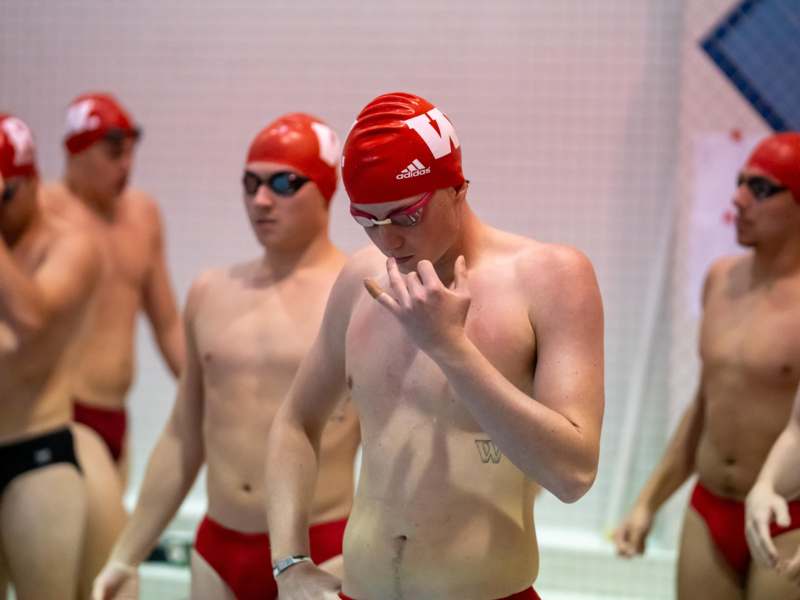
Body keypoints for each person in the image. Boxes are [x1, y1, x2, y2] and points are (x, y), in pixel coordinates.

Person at [264, 92, 605, 600]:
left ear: (458, 188)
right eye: (368, 221)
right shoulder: (361, 280)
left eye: (405, 217)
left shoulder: (550, 278)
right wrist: (290, 563)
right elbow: (295, 422)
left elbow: (573, 473)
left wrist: (452, 350)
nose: (389, 242)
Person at [92, 113, 360, 600]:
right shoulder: (211, 291)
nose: (261, 200)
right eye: (250, 183)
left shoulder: (357, 294)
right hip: (217, 549)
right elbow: (182, 435)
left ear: (325, 189)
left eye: (283, 183)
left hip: (321, 549)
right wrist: (125, 555)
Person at [613, 132, 800, 599]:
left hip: (787, 514)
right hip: (709, 505)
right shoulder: (720, 279)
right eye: (740, 183)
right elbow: (705, 405)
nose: (738, 199)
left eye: (760, 188)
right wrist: (647, 501)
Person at [44, 92, 185, 477]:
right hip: (58, 412)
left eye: (129, 154)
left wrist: (203, 392)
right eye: (113, 155)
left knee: (112, 536)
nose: (126, 166)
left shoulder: (143, 215)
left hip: (115, 413)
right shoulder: (44, 213)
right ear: (76, 152)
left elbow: (168, 322)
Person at [0, 113, 100, 599]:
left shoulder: (72, 244)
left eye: (5, 195)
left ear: (31, 181)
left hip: (36, 454)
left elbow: (31, 318)